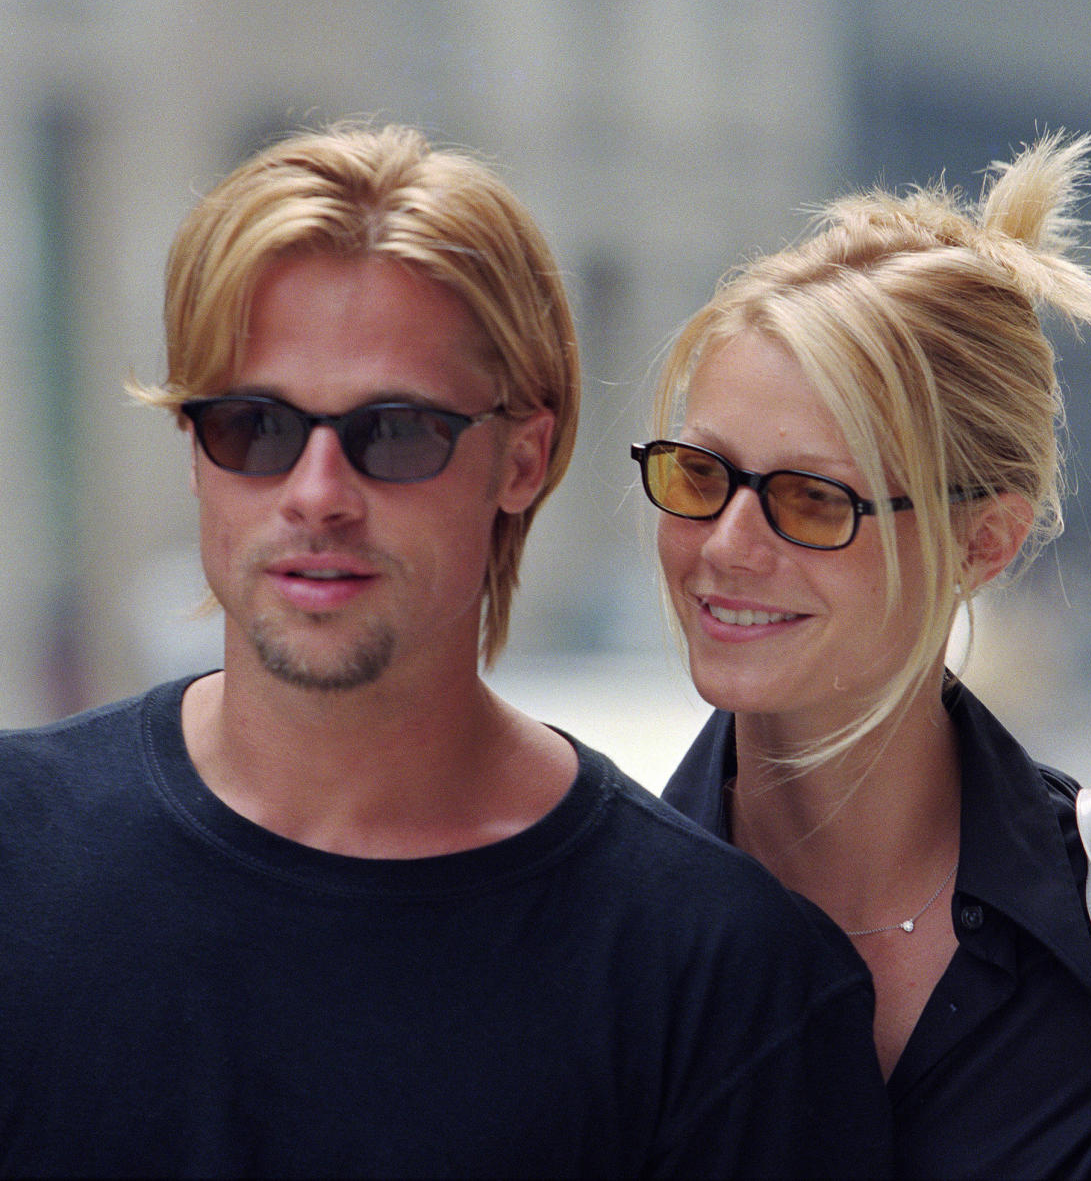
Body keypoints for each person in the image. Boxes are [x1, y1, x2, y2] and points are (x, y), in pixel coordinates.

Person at [0, 123, 894, 1178]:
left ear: (523, 457)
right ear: (195, 447)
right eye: (255, 426)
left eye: (396, 431)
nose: (317, 494)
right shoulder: (17, 855)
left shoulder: (721, 982)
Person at [634, 131, 1091, 1179]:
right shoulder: (592, 927)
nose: (726, 546)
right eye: (700, 475)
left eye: (812, 498)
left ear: (985, 541)